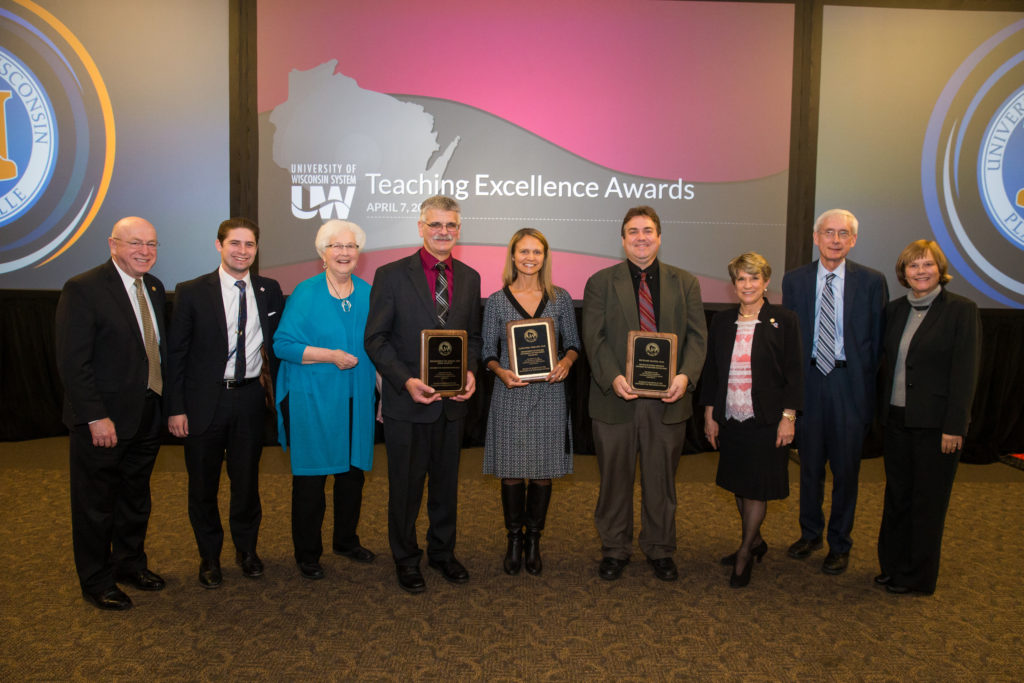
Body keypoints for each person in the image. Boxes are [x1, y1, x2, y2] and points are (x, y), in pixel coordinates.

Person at [582, 205, 707, 582]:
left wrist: (685, 377)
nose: (641, 237)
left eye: (648, 230)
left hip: (668, 401)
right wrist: (613, 377)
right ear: (623, 239)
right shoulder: (600, 282)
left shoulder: (685, 282)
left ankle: (660, 548)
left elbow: (698, 338)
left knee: (661, 481)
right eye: (633, 231)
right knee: (614, 481)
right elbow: (594, 337)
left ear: (659, 236)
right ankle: (615, 548)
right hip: (615, 399)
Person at [364, 195, 482, 593]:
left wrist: (469, 370)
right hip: (408, 403)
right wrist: (404, 381)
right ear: (420, 227)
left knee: (446, 485)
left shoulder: (470, 277)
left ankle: (443, 553)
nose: (443, 232)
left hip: (451, 406)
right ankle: (406, 557)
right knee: (406, 487)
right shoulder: (391, 275)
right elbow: (375, 339)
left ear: (459, 230)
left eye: (451, 225)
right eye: (435, 225)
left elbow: (475, 337)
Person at [55, 217, 167, 610]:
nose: (145, 251)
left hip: (146, 414)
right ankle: (96, 580)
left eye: (151, 244)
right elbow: (73, 362)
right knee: (95, 504)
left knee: (135, 498)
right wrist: (94, 416)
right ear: (113, 244)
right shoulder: (83, 289)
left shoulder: (152, 287)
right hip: (103, 421)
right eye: (135, 243)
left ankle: (130, 564)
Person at [166, 218, 284, 588]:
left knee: (246, 483)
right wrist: (175, 407)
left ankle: (247, 551)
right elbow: (176, 355)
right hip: (204, 402)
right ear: (219, 245)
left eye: (249, 245)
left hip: (249, 399)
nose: (242, 251)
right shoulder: (191, 291)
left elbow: (276, 346)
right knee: (203, 486)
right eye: (235, 243)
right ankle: (209, 557)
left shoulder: (269, 290)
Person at [781, 208, 887, 575]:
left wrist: (862, 389)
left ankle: (840, 542)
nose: (836, 240)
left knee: (846, 470)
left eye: (844, 234)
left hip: (848, 386)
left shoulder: (872, 282)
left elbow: (877, 343)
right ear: (816, 237)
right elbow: (789, 340)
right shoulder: (794, 280)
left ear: (853, 240)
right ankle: (810, 533)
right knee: (809, 466)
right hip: (809, 382)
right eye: (829, 233)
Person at [273, 220, 378, 580]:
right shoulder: (306, 292)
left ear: (359, 253)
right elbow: (282, 345)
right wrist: (329, 355)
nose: (344, 253)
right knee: (311, 478)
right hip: (312, 397)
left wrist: (382, 395)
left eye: (351, 246)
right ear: (322, 253)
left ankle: (346, 540)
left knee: (352, 475)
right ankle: (308, 552)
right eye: (336, 246)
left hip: (357, 398)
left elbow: (377, 349)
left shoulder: (368, 292)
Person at [875, 240, 980, 595]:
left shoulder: (960, 311)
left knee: (928, 502)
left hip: (937, 428)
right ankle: (892, 567)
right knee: (898, 497)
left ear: (940, 269)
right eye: (913, 266)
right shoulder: (894, 310)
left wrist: (955, 426)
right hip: (897, 422)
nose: (920, 271)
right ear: (903, 273)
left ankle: (917, 577)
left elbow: (965, 374)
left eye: (927, 265)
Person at [700, 253, 803, 587]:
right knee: (739, 482)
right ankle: (756, 541)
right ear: (734, 285)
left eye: (754, 278)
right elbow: (713, 371)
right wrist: (710, 413)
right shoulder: (721, 320)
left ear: (766, 282)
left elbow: (794, 372)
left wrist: (789, 417)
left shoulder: (783, 319)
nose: (747, 285)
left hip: (767, 418)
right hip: (732, 415)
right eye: (741, 279)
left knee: (756, 486)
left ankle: (745, 551)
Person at [482, 228, 580, 576]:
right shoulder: (496, 300)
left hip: (550, 394)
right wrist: (499, 371)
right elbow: (486, 351)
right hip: (510, 393)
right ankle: (513, 538)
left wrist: (566, 363)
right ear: (512, 256)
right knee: (510, 472)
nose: (530, 258)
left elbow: (573, 344)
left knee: (543, 472)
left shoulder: (561, 298)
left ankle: (534, 539)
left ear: (545, 256)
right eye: (523, 251)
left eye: (536, 252)